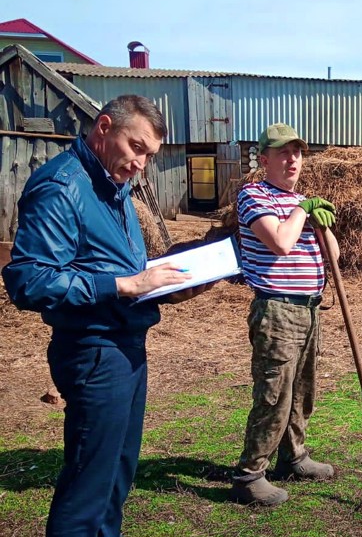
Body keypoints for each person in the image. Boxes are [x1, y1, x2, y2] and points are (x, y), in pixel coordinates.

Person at [2, 95, 214, 536]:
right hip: (94, 352)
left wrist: (168, 288)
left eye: (150, 156)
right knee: (88, 490)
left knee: (116, 477)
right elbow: (29, 280)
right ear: (103, 128)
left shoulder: (114, 189)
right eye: (136, 147)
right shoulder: (62, 186)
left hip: (128, 347)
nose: (141, 164)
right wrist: (123, 285)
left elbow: (119, 270)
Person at [229, 123, 339, 506]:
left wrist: (322, 224)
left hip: (309, 310)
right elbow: (279, 242)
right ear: (264, 160)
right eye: (283, 153)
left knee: (302, 391)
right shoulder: (253, 196)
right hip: (276, 310)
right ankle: (249, 476)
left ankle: (293, 457)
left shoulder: (302, 202)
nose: (293, 160)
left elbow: (334, 258)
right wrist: (301, 211)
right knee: (274, 393)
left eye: (297, 153)